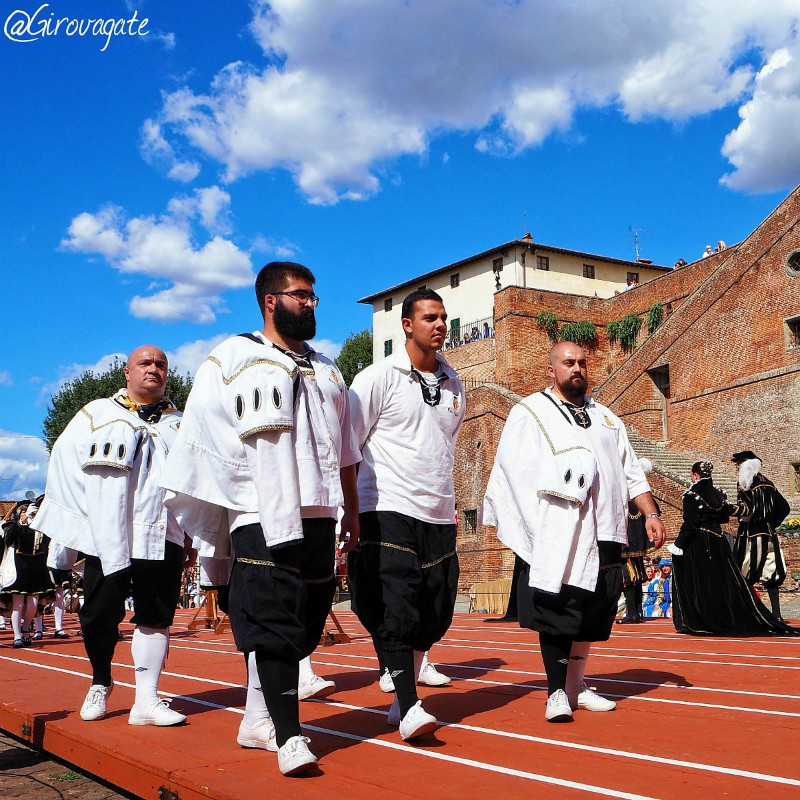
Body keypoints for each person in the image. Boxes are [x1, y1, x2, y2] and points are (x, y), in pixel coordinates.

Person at [160, 261, 358, 776]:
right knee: (271, 621)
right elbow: (204, 435)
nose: (310, 305)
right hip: (258, 509)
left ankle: (255, 719)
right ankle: (290, 735)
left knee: (308, 619)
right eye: (300, 297)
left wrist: (351, 507)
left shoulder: (329, 368)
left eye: (314, 298)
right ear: (270, 300)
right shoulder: (231, 357)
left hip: (319, 508)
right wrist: (225, 508)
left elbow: (345, 447)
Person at [482, 342, 666, 722]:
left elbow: (631, 470)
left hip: (606, 529)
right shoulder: (530, 413)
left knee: (592, 613)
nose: (577, 368)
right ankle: (554, 693)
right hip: (559, 532)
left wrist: (650, 512)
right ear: (552, 370)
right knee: (558, 611)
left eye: (582, 362)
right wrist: (538, 526)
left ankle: (575, 686)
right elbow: (514, 472)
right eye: (569, 363)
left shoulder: (607, 418)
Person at [32, 346, 189, 727]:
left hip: (162, 533)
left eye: (161, 364)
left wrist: (195, 532)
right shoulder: (96, 414)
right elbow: (65, 468)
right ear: (127, 372)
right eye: (145, 363)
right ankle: (101, 680)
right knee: (99, 614)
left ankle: (147, 701)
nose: (153, 369)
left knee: (156, 615)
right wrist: (80, 526)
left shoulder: (181, 423)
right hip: (108, 534)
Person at [349, 288, 465, 742]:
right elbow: (350, 445)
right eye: (430, 317)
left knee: (435, 609)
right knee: (397, 604)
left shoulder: (454, 382)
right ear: (407, 325)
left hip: (438, 512)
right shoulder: (377, 378)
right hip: (387, 505)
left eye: (443, 318)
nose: (440, 325)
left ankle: (403, 695)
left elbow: (445, 447)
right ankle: (411, 703)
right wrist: (351, 510)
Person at [667, 461, 796, 636]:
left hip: (699, 543)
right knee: (727, 581)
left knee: (706, 581)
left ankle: (704, 618)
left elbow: (691, 524)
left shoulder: (691, 495)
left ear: (695, 475)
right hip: (719, 542)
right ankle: (769, 615)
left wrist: (678, 544)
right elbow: (725, 517)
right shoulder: (718, 493)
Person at [729, 451, 791, 622]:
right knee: (771, 574)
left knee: (743, 572)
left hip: (750, 535)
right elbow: (784, 507)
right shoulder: (769, 484)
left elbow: (746, 510)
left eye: (739, 464)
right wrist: (771, 524)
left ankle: (749, 613)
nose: (737, 468)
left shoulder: (746, 484)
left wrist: (727, 508)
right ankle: (776, 614)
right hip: (769, 535)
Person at [1, 500, 53, 647]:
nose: (26, 513)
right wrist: (22, 522)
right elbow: (8, 539)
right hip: (19, 567)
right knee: (17, 604)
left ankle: (25, 627)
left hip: (36, 568)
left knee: (33, 604)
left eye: (28, 511)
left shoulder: (39, 529)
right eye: (23, 511)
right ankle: (17, 636)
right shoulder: (15, 527)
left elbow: (45, 545)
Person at [617, 459, 655, 624]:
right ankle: (637, 612)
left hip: (626, 547)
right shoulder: (645, 498)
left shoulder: (628, 497)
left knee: (629, 579)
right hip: (637, 546)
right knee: (637, 579)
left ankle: (632, 614)